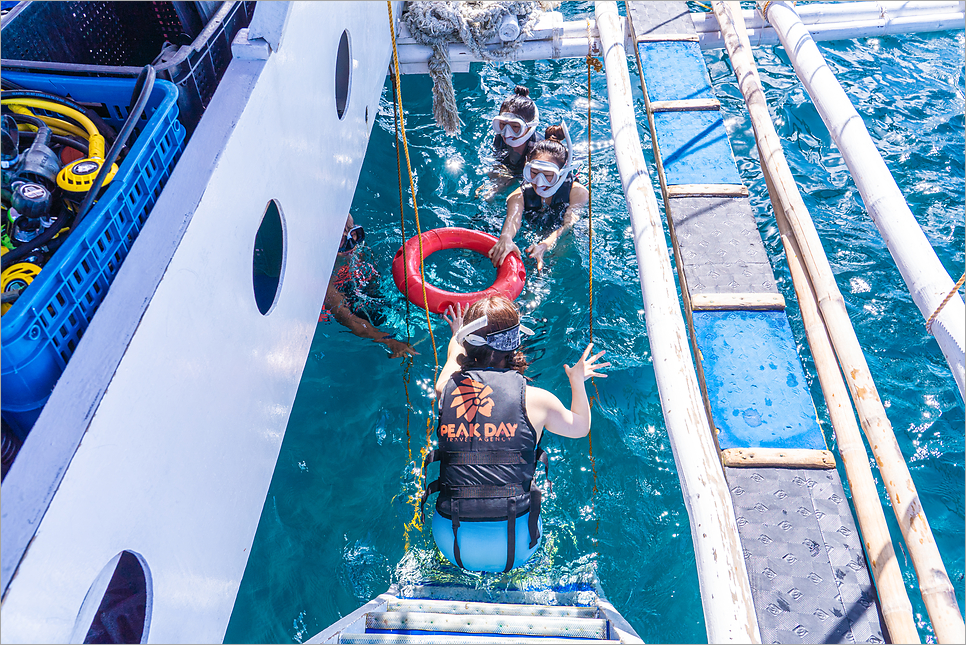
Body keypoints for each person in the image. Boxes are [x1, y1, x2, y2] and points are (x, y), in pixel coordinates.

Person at [421, 295, 609, 573]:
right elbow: (581, 427)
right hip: (515, 549)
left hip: (451, 543)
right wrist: (577, 381)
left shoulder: (444, 388)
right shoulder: (536, 399)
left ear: (467, 342)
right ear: (515, 344)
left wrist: (457, 334)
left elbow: (453, 357)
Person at [487, 123, 589, 271]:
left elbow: (568, 225)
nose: (539, 183)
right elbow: (513, 218)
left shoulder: (577, 192)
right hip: (538, 222)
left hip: (562, 230)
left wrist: (545, 245)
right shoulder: (518, 195)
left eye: (548, 176)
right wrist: (506, 237)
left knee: (561, 249)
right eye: (533, 173)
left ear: (562, 173)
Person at [321, 214, 417, 358]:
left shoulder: (359, 252)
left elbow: (373, 281)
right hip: (332, 311)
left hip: (353, 288)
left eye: (353, 233)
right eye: (341, 239)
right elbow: (348, 319)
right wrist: (389, 341)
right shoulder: (322, 279)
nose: (351, 243)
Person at [477, 86, 543, 201]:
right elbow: (498, 162)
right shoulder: (499, 138)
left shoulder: (540, 149)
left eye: (516, 127)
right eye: (502, 124)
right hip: (511, 170)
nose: (507, 134)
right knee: (485, 196)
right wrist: (494, 182)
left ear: (529, 127)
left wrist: (506, 181)